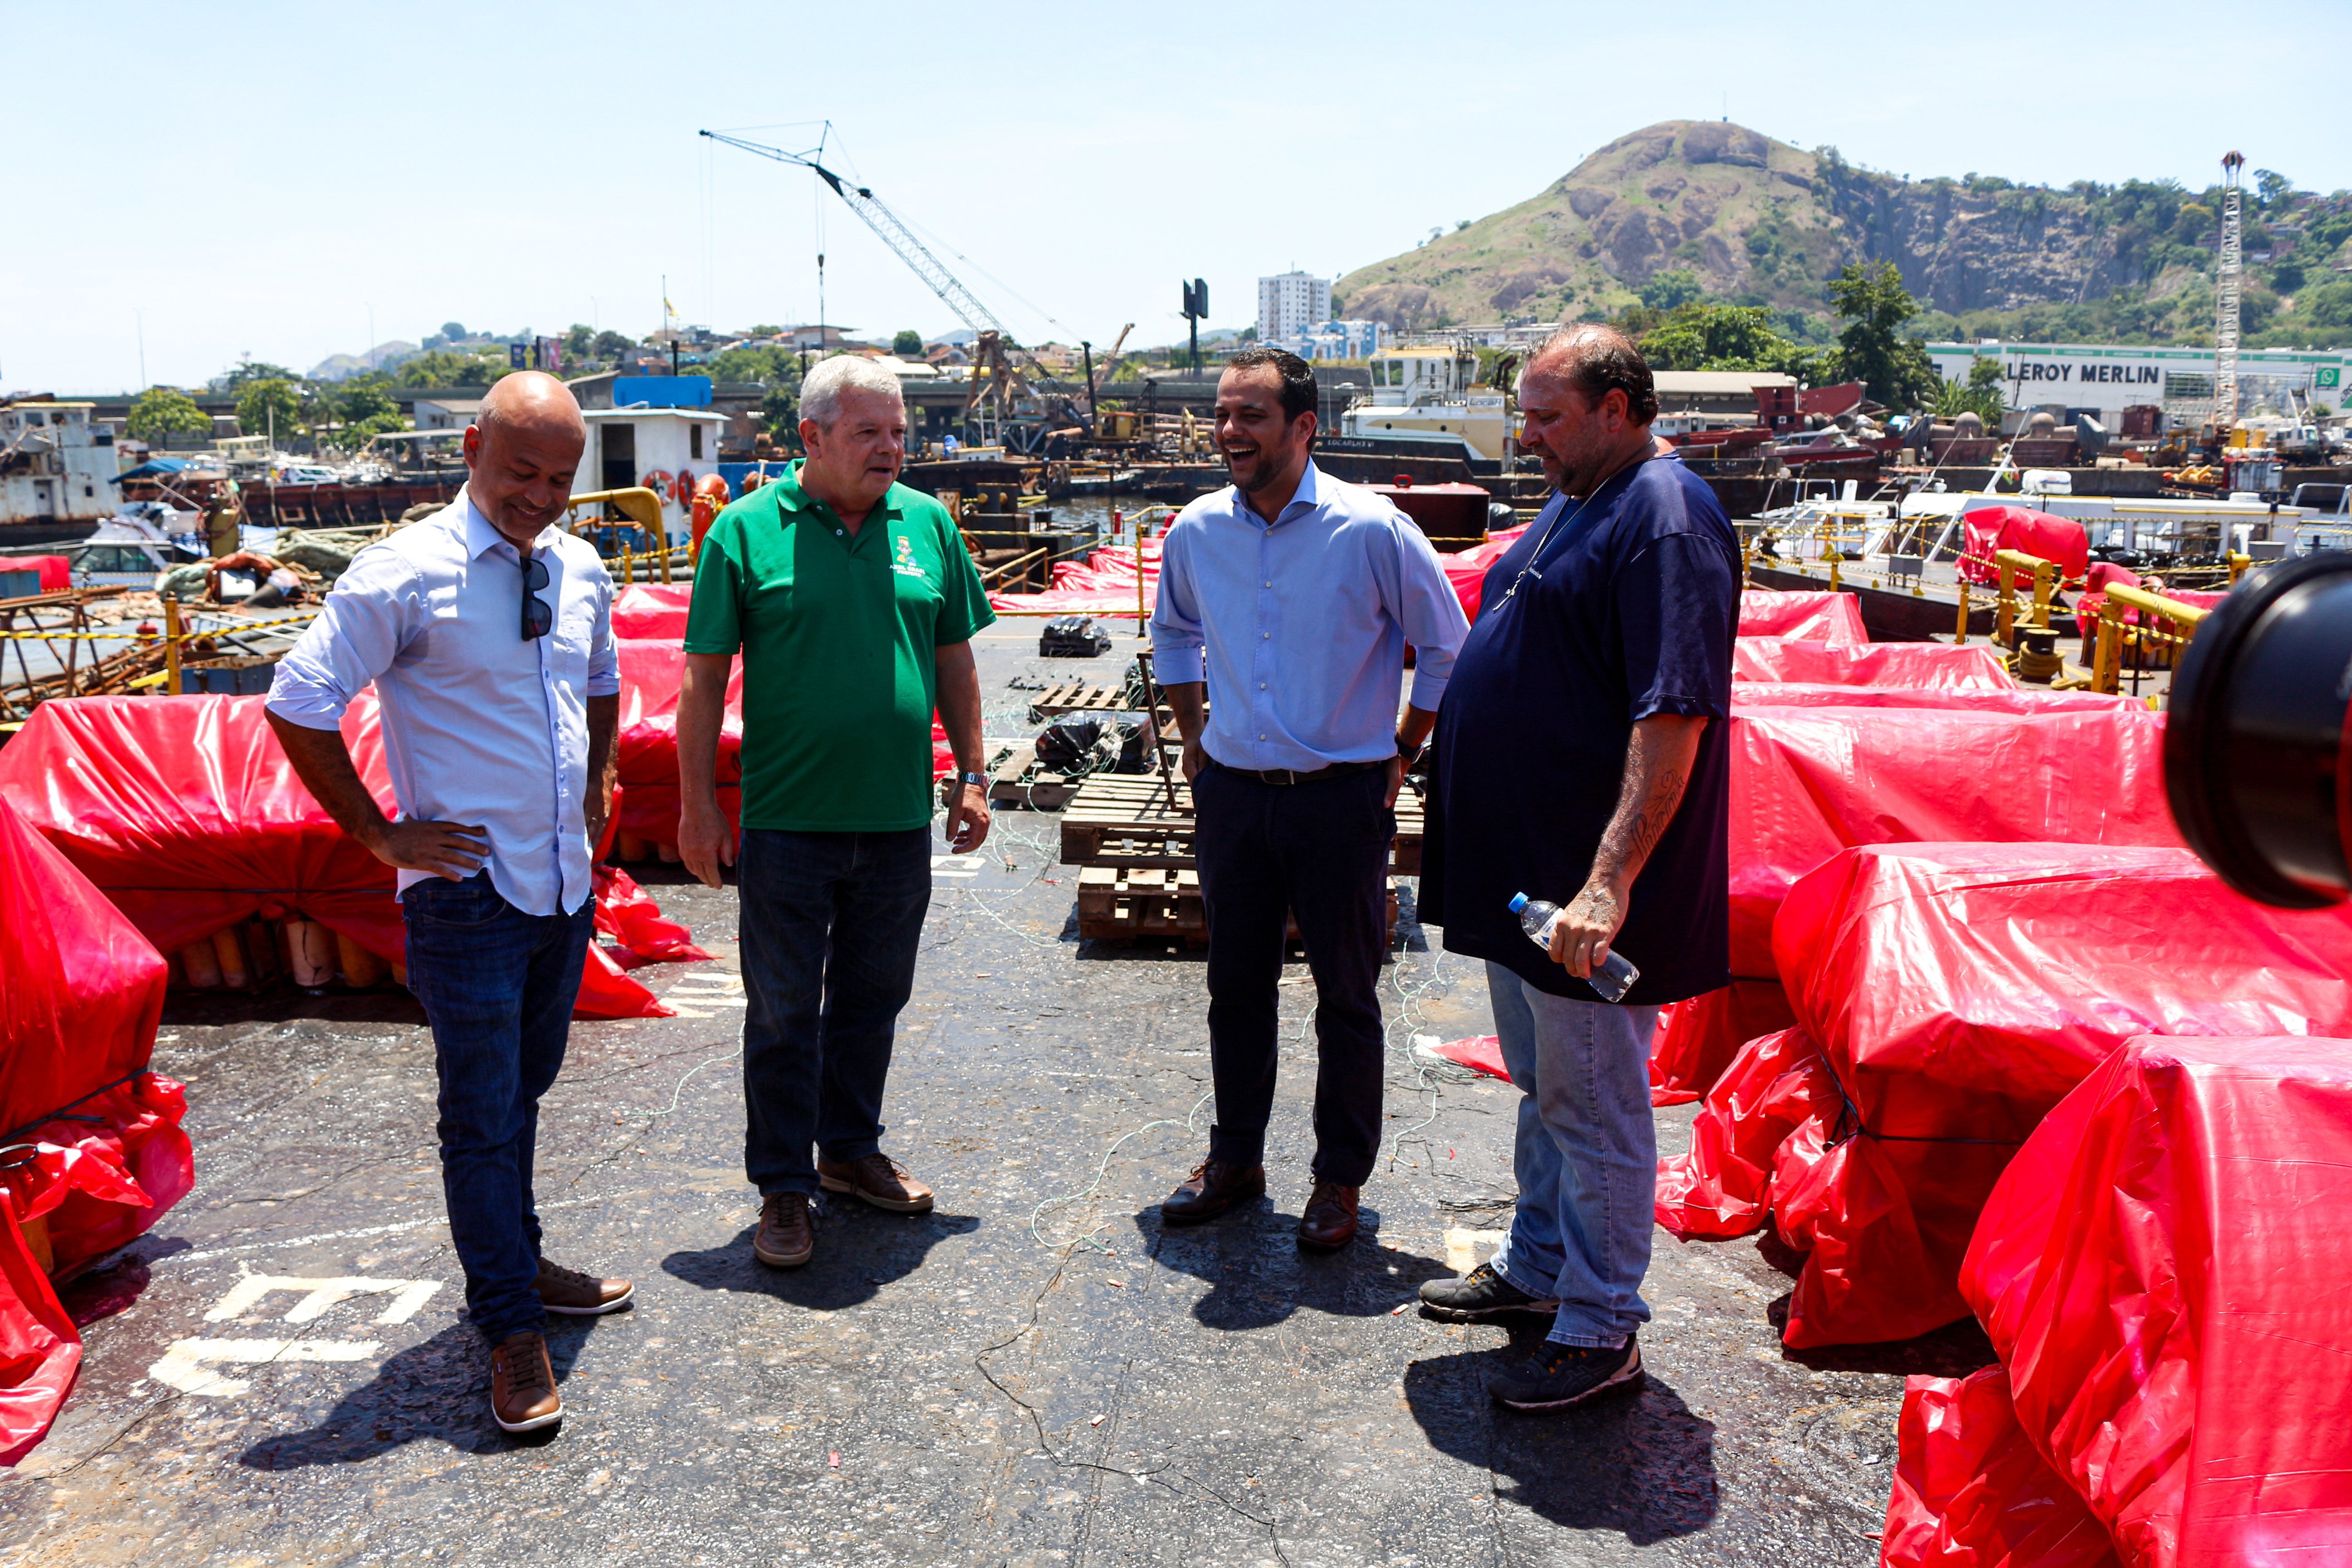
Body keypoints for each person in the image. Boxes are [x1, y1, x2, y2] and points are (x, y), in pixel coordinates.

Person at [265, 371, 634, 1437]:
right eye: (520, 471)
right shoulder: (405, 573)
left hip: (559, 884)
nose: (540, 496)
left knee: (524, 1094)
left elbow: (600, 676)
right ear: (471, 446)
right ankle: (509, 1326)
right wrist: (382, 834)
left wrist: (603, 774)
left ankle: (519, 1262)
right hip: (468, 894)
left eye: (560, 478)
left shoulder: (579, 566)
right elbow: (299, 699)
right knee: (479, 1116)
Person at [1416, 326, 1738, 1413]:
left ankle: (1603, 1328)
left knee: (1595, 1103)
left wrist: (1609, 884)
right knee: (1548, 1090)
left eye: (1547, 416)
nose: (1529, 436)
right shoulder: (1581, 497)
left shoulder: (1667, 515)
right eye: (1527, 414)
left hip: (1579, 894)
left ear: (1617, 405)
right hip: (1524, 881)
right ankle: (1543, 1267)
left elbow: (1674, 708)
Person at [1149, 347, 1470, 1250]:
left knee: (1347, 996)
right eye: (1222, 414)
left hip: (1340, 799)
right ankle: (1236, 1159)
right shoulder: (1197, 532)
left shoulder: (1373, 531)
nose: (1229, 432)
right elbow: (1173, 636)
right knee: (1235, 988)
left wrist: (1404, 750)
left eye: (1251, 415)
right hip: (1235, 799)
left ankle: (1339, 1181)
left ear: (1303, 426)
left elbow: (1446, 645)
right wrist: (1194, 742)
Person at [676, 354, 993, 1271]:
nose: (893, 448)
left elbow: (956, 662)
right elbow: (702, 682)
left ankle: (850, 1154)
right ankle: (784, 1184)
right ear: (811, 439)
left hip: (896, 819)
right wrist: (698, 810)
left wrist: (972, 775)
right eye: (870, 433)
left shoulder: (928, 525)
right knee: (782, 1011)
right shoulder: (743, 532)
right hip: (787, 821)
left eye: (898, 432)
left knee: (872, 998)